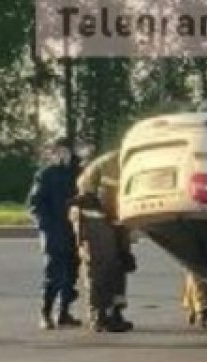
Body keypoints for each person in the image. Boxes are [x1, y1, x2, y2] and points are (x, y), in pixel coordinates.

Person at [71, 149, 135, 333]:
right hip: (95, 220)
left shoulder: (132, 163)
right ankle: (99, 314)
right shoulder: (109, 164)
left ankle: (115, 311)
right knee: (100, 267)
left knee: (120, 265)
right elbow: (104, 195)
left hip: (116, 219)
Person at [28, 136, 82, 330]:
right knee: (54, 274)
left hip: (75, 230)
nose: (62, 155)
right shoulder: (46, 174)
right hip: (54, 231)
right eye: (58, 151)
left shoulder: (80, 173)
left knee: (72, 273)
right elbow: (36, 204)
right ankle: (46, 313)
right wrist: (46, 226)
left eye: (66, 151)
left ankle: (64, 312)